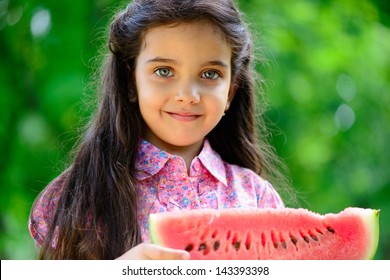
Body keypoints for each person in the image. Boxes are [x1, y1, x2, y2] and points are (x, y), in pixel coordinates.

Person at [28, 0, 293, 260]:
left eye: (210, 74)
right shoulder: (79, 193)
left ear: (230, 93)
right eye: (164, 71)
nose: (187, 96)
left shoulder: (258, 197)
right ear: (131, 83)